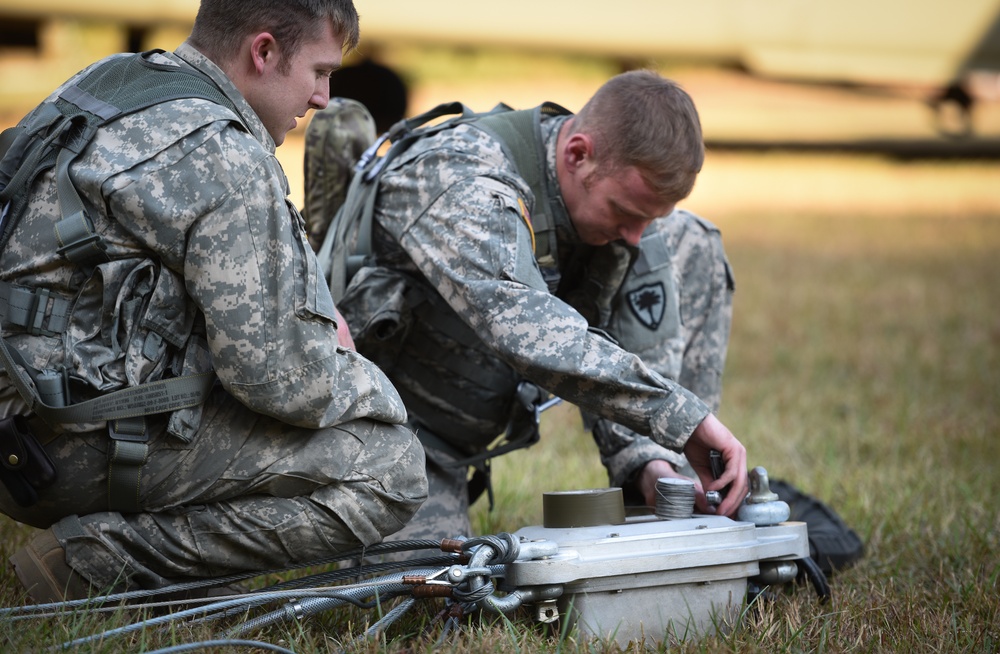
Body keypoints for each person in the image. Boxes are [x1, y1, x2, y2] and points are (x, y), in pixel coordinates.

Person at [310, 70, 863, 573]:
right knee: (426, 598)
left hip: (462, 427)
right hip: (396, 442)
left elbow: (617, 288)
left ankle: (671, 483)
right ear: (577, 154)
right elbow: (526, 327)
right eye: (625, 212)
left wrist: (648, 455)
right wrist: (681, 416)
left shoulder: (598, 201)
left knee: (687, 242)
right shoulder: (459, 176)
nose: (633, 235)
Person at [0, 0, 426, 604]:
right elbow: (282, 381)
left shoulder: (114, 80)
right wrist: (376, 390)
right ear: (263, 52)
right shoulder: (224, 154)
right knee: (390, 468)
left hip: (21, 405)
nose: (324, 99)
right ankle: (90, 565)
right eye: (320, 72)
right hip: (54, 446)